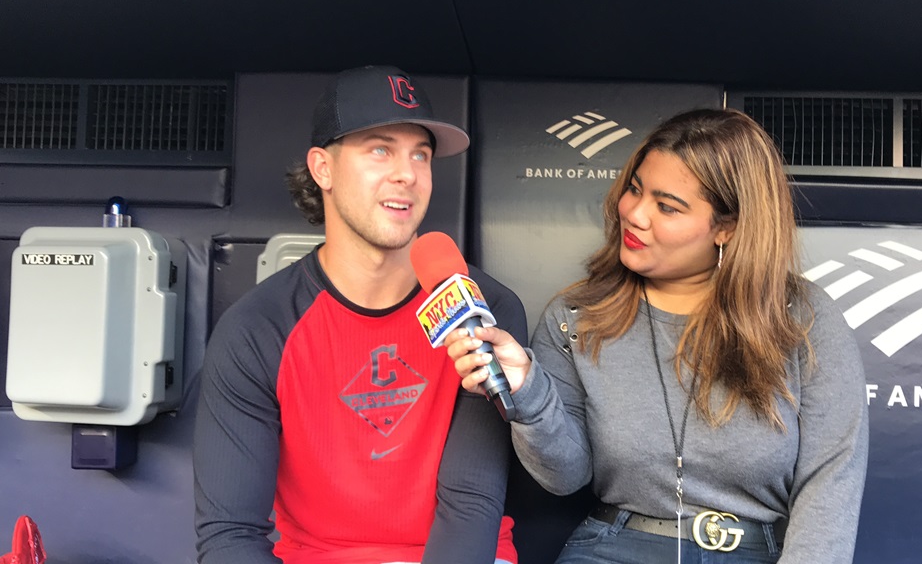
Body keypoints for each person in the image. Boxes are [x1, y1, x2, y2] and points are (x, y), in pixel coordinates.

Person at [445, 108, 869, 563]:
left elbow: (830, 485)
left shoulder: (803, 319)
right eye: (634, 189)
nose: (635, 214)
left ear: (727, 227)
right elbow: (564, 476)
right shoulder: (576, 316)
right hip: (613, 548)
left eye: (667, 207)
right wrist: (529, 393)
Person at [193, 65, 526, 564]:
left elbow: (471, 503)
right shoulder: (257, 329)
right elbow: (229, 534)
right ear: (322, 168)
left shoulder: (483, 308)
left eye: (421, 154)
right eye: (380, 149)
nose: (407, 174)